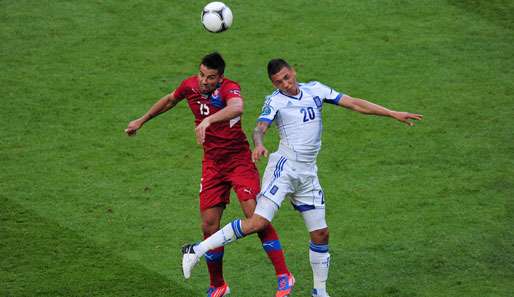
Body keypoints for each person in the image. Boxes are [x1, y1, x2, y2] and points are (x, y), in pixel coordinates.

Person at [181, 58, 423, 297]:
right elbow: (259, 127)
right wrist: (259, 144)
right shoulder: (274, 101)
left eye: (287, 78)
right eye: (278, 82)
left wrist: (392, 113)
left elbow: (354, 103)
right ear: (274, 84)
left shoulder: (316, 90)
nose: (285, 84)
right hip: (284, 169)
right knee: (257, 222)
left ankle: (320, 292)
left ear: (293, 72)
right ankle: (197, 250)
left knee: (321, 234)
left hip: (308, 173)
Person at [125, 53, 293, 297]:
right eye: (202, 74)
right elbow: (171, 99)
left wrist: (207, 121)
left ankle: (283, 275)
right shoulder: (190, 85)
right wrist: (142, 120)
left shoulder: (230, 89)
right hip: (213, 165)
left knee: (256, 217)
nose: (204, 81)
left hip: (239, 161)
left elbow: (237, 107)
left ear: (220, 78)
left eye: (210, 77)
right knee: (209, 224)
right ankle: (218, 285)